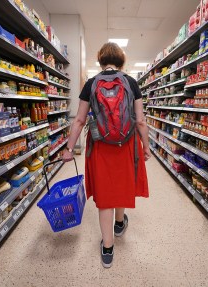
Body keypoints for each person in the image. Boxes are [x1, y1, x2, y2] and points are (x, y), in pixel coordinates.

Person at [62, 42, 150, 268]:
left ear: (100, 61)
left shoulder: (91, 83)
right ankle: (119, 224)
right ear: (121, 61)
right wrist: (147, 147)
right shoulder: (131, 82)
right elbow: (140, 120)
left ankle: (108, 248)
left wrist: (69, 149)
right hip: (127, 143)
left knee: (105, 193)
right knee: (121, 184)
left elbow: (79, 120)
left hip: (100, 145)